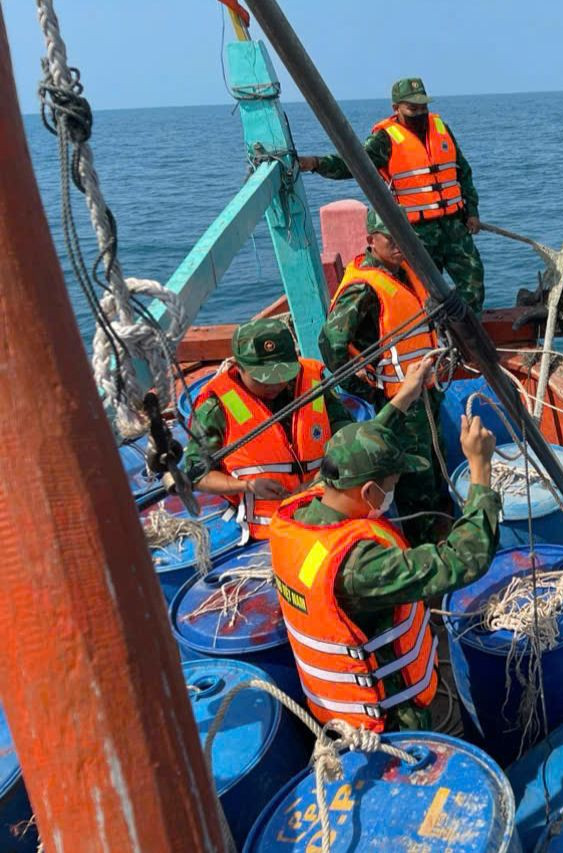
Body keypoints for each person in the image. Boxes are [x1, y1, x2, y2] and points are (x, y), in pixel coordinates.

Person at [267, 409, 500, 733]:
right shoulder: (359, 567)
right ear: (368, 492)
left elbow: (354, 447)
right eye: (391, 485)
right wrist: (480, 468)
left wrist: (403, 399)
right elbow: (464, 558)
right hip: (386, 723)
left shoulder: (301, 511)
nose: (392, 493)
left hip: (332, 711)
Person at [319, 208, 451, 545]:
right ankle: (425, 542)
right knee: (415, 474)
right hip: (399, 399)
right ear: (370, 240)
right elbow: (331, 342)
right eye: (389, 239)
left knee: (437, 461)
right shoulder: (363, 287)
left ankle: (443, 518)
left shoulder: (406, 270)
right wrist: (366, 387)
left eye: (401, 237)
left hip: (426, 386)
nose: (397, 245)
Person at [298, 77, 485, 312]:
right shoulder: (384, 139)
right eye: (412, 108)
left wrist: (472, 211)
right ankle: (434, 341)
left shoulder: (441, 128)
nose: (420, 113)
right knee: (422, 295)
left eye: (423, 107)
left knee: (473, 283)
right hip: (416, 233)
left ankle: (471, 337)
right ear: (396, 108)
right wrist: (315, 163)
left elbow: (463, 172)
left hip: (454, 226)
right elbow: (353, 163)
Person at [183, 317, 358, 539]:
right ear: (239, 367)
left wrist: (324, 476)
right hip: (270, 529)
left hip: (327, 507)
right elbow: (197, 475)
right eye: (263, 379)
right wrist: (247, 486)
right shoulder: (214, 407)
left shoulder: (312, 382)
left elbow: (344, 428)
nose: (274, 385)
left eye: (281, 376)